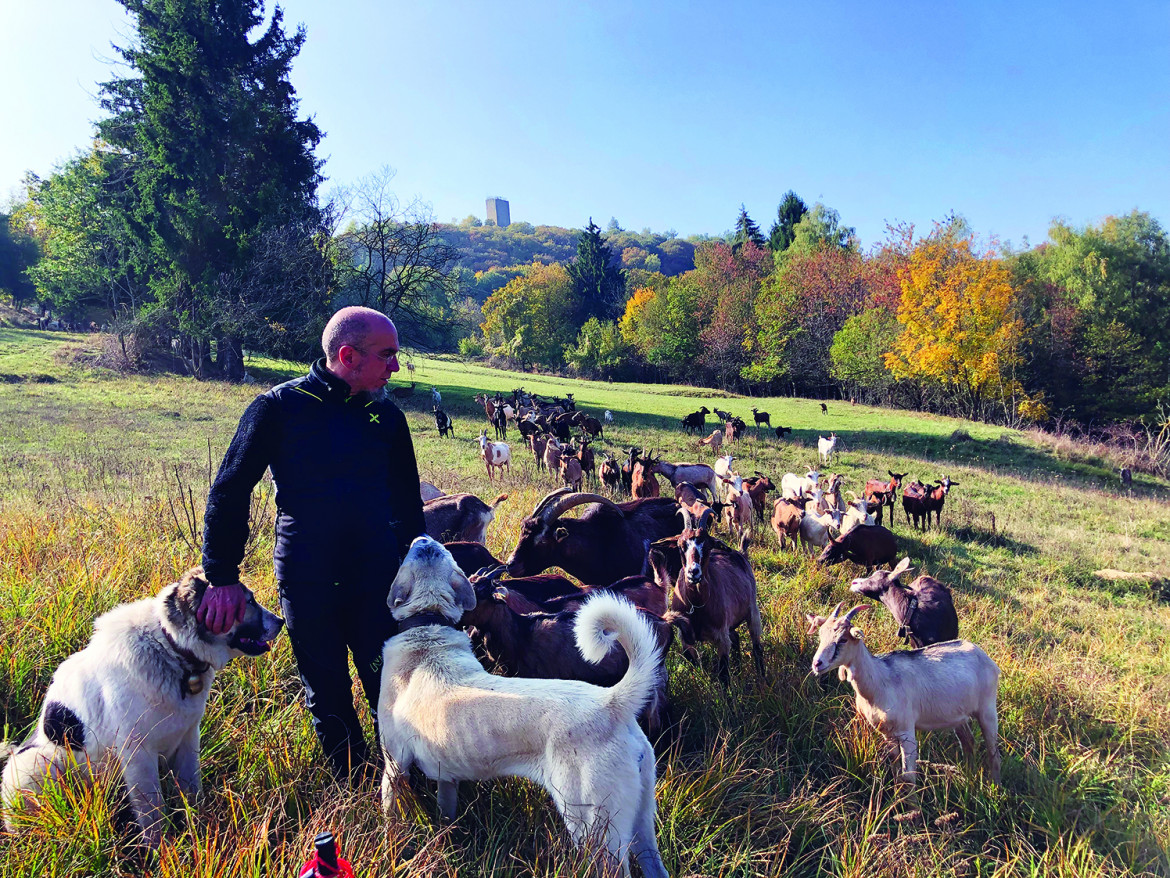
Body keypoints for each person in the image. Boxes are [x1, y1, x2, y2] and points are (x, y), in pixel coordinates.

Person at [198, 306, 426, 781]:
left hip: (377, 576)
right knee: (326, 686)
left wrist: (418, 571)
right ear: (348, 355)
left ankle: (410, 783)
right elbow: (231, 488)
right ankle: (356, 786)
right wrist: (221, 577)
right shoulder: (278, 409)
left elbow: (406, 505)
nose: (395, 367)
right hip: (307, 574)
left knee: (391, 680)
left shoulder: (387, 417)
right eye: (387, 355)